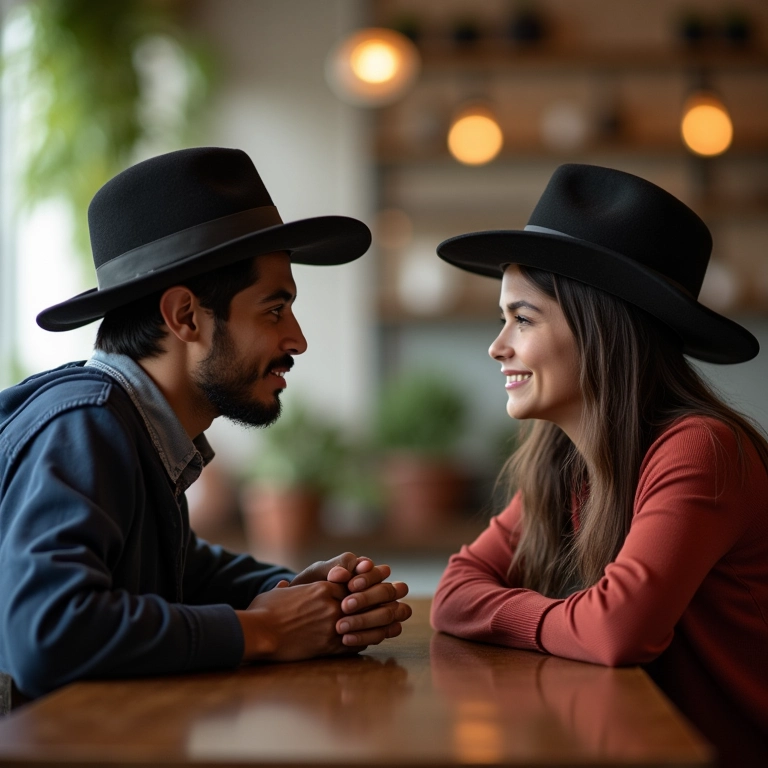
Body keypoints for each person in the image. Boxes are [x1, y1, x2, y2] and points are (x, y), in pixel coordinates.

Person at [0, 146, 411, 707]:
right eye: (274, 309)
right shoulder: (86, 425)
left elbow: (181, 568)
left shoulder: (133, 427)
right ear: (185, 316)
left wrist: (297, 592)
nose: (297, 340)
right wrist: (265, 631)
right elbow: (47, 637)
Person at [430, 163, 768, 766]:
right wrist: (565, 619)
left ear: (600, 327)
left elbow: (616, 633)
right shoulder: (562, 459)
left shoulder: (700, 450)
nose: (496, 345)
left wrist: (519, 613)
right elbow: (453, 593)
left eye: (522, 318)